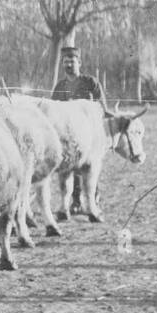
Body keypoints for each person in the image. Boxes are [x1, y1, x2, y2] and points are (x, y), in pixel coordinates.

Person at [50, 45, 105, 214]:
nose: (68, 65)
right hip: (68, 135)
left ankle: (93, 197)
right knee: (69, 169)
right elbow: (53, 112)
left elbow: (102, 107)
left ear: (79, 62)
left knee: (90, 167)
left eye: (72, 61)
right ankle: (75, 201)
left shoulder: (90, 82)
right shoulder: (60, 87)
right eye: (65, 62)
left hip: (89, 133)